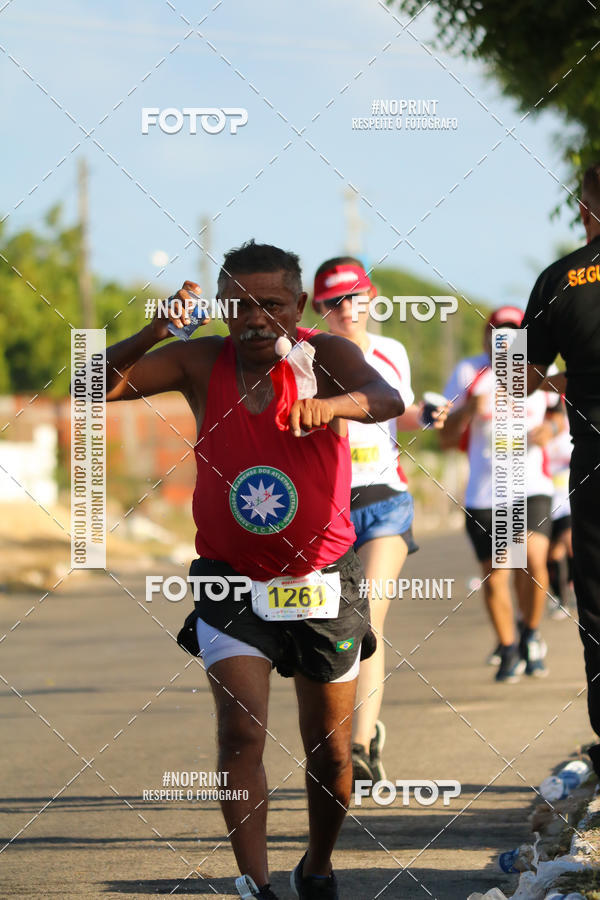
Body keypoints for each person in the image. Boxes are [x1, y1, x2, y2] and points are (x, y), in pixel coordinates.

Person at [103, 240, 405, 900]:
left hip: (323, 580)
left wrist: (333, 406)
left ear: (298, 305)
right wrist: (155, 330)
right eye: (238, 305)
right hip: (232, 579)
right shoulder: (199, 360)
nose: (254, 319)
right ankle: (256, 885)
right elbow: (88, 383)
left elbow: (387, 398)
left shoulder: (326, 356)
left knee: (331, 748)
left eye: (270, 304)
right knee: (240, 732)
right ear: (221, 308)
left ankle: (317, 866)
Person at [311, 256, 448, 785]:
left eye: (356, 297)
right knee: (331, 625)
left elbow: (399, 411)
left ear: (372, 298)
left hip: (386, 498)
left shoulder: (392, 351)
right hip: (328, 504)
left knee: (367, 616)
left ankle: (362, 746)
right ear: (318, 307)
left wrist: (426, 413)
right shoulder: (306, 356)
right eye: (334, 302)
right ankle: (338, 739)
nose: (347, 309)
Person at [523, 162, 600, 778]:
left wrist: (564, 379)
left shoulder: (559, 278)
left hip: (595, 457)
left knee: (596, 600)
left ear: (584, 209)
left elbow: (514, 374)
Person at [440, 306, 564, 683]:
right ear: (487, 337)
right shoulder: (468, 372)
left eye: (514, 333)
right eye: (499, 333)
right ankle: (508, 647)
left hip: (532, 486)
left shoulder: (539, 369)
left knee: (533, 559)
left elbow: (559, 414)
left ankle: (530, 633)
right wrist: (467, 411)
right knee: (496, 574)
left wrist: (550, 429)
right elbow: (445, 438)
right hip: (485, 494)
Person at [545, 401, 574, 619]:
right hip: (546, 499)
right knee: (552, 552)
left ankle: (579, 588)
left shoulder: (568, 428)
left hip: (568, 498)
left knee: (570, 542)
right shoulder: (536, 428)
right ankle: (560, 598)